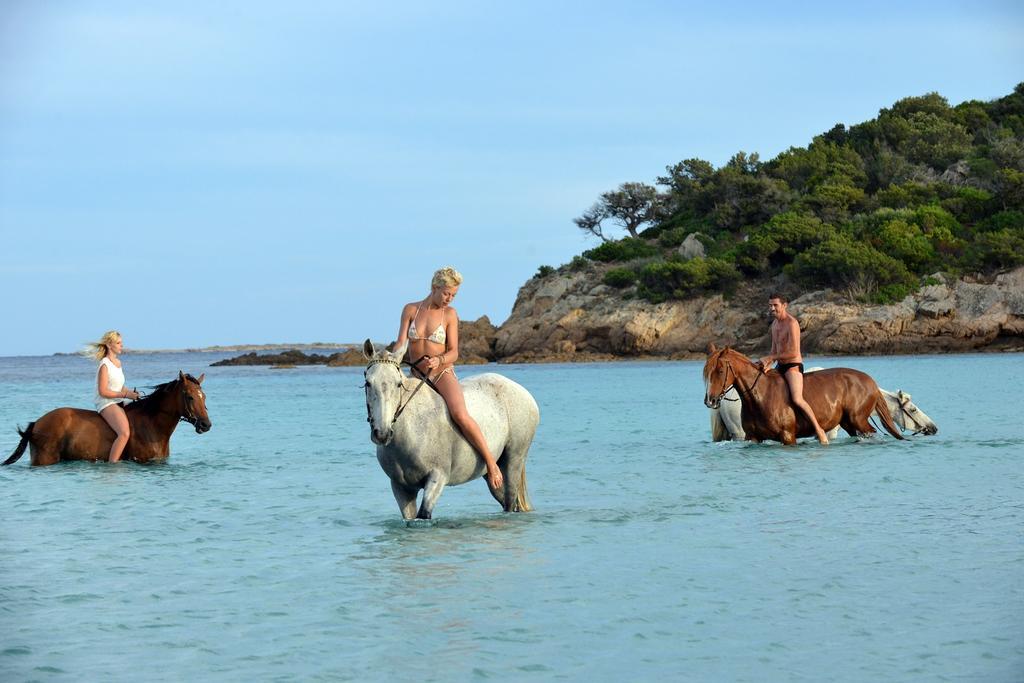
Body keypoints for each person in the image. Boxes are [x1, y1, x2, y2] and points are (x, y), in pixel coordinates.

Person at [395, 267, 504, 490]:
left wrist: (439, 360)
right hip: (416, 376)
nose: (449, 299)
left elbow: (454, 352)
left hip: (442, 374)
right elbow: (400, 345)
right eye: (446, 293)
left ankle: (491, 463)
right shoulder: (410, 310)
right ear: (435, 288)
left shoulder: (450, 314)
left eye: (453, 295)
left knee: (460, 414)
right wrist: (389, 361)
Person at [755, 294, 829, 445]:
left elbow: (794, 352)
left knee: (797, 398)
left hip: (793, 365)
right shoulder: (774, 325)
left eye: (775, 305)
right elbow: (773, 349)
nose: (772, 308)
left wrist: (771, 358)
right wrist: (767, 364)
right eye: (770, 305)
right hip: (779, 365)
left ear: (784, 305)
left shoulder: (792, 323)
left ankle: (819, 429)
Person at [88, 330, 140, 462]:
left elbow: (119, 387)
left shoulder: (118, 363)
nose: (121, 345)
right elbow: (103, 391)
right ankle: (112, 465)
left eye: (121, 342)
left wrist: (131, 394)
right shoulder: (104, 364)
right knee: (124, 433)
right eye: (118, 343)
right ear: (109, 345)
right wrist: (125, 394)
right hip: (106, 402)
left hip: (118, 400)